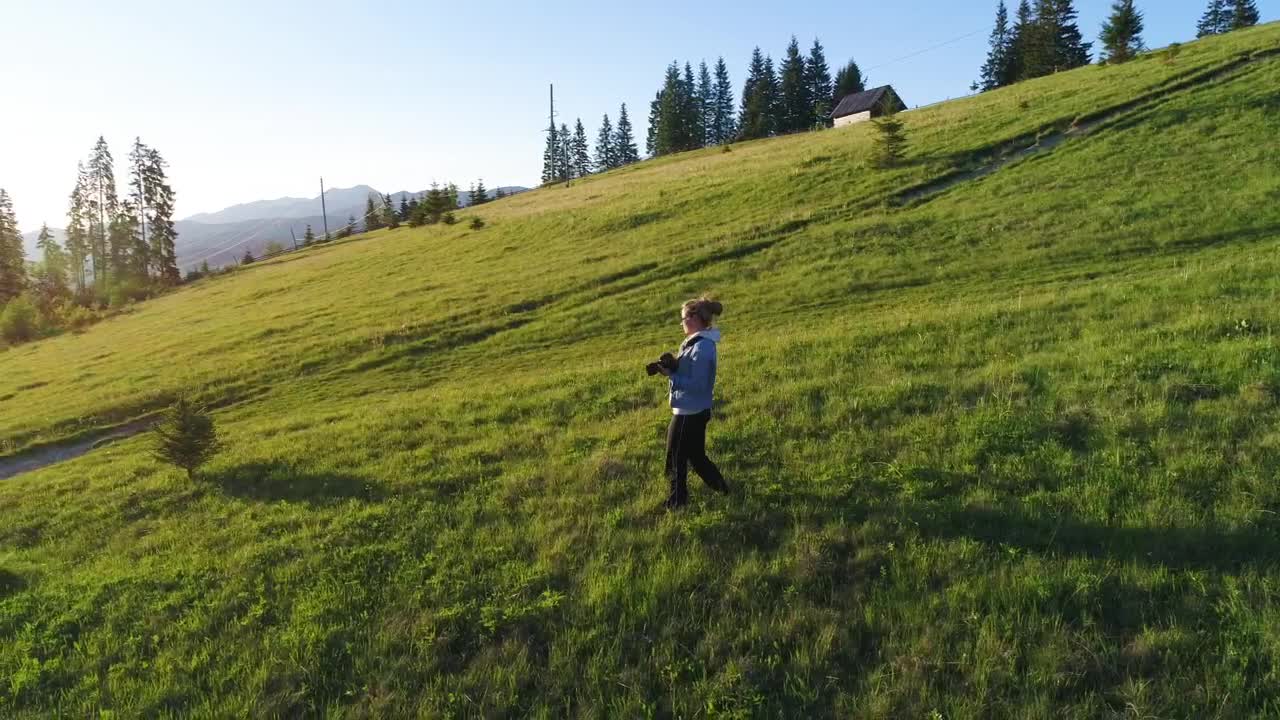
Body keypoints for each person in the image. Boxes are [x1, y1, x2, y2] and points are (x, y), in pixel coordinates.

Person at [656, 296, 730, 508]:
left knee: (676, 457)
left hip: (690, 411)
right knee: (696, 457)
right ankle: (723, 489)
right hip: (690, 408)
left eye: (684, 318)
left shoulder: (702, 347)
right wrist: (672, 367)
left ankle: (678, 500)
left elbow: (697, 384)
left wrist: (671, 376)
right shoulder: (695, 343)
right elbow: (690, 372)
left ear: (695, 318)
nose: (682, 323)